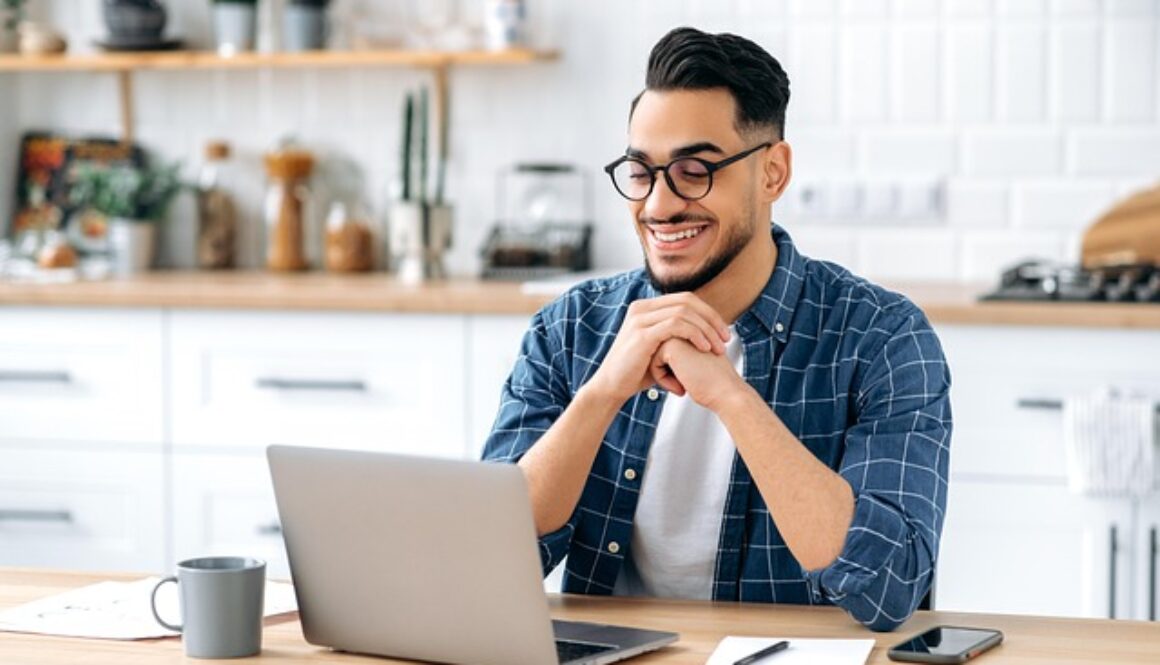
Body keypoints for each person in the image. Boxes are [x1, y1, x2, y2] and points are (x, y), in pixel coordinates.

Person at [481, 26, 951, 632]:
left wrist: (731, 397)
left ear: (772, 173)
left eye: (694, 170)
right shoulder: (570, 329)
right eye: (641, 171)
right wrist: (601, 394)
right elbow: (497, 557)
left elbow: (890, 587)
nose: (658, 205)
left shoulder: (882, 337)